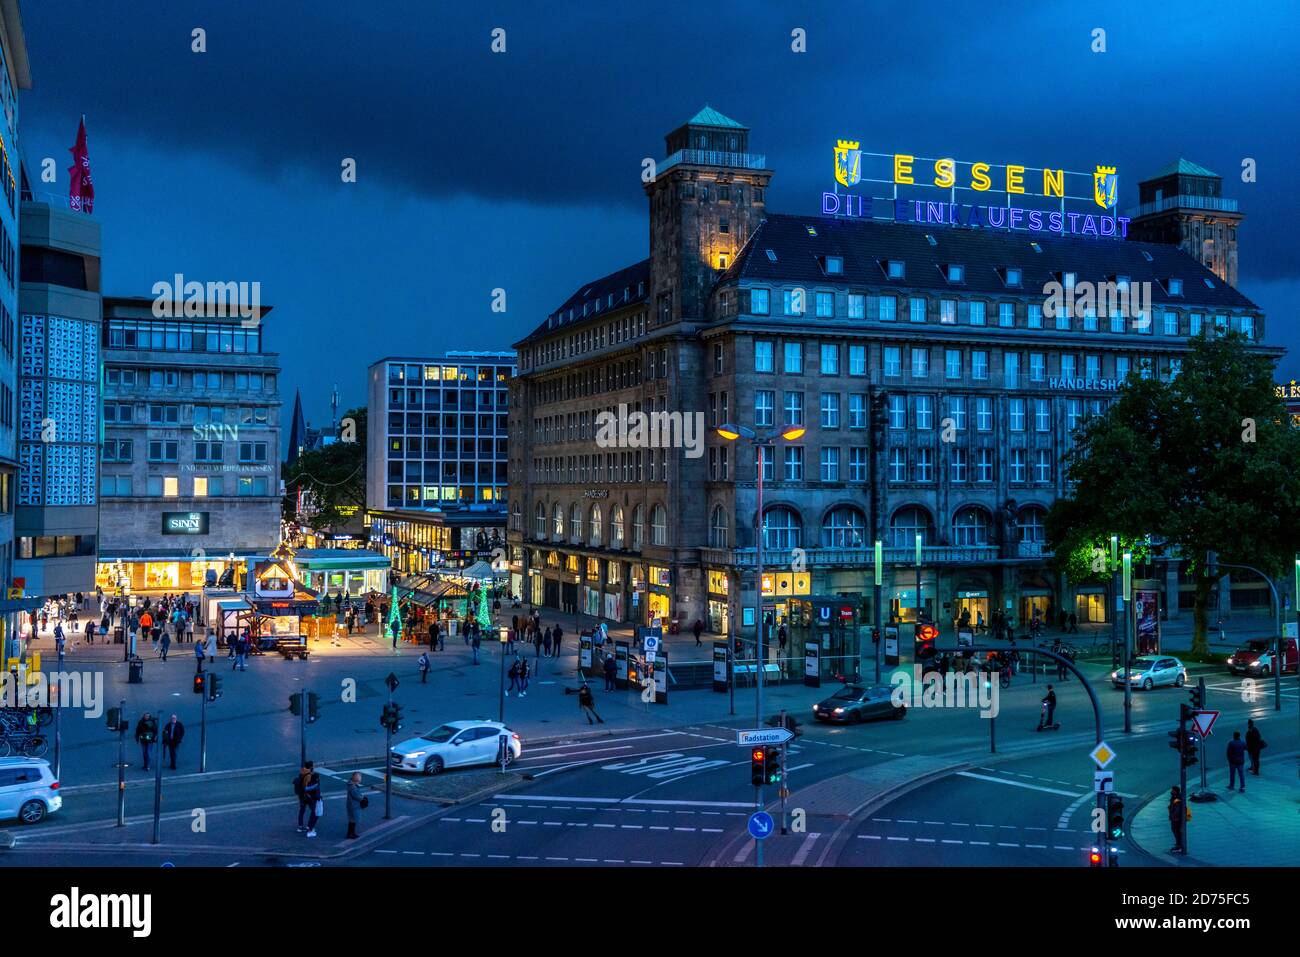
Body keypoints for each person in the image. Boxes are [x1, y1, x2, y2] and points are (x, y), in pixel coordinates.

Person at [301, 764, 322, 838]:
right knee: (315, 815)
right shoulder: (315, 785)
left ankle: (309, 827)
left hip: (310, 800)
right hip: (315, 801)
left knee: (313, 814)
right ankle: (310, 829)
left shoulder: (310, 784)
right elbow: (316, 794)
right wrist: (318, 797)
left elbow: (306, 790)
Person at [346, 772, 367, 839]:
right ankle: (350, 834)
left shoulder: (351, 785)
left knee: (352, 820)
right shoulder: (353, 787)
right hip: (354, 806)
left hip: (352, 805)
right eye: (359, 779)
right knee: (353, 820)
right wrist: (363, 797)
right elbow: (358, 796)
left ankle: (352, 833)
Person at [1168, 786, 1186, 854]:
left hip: (1176, 819)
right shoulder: (1174, 797)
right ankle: (1178, 844)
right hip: (1175, 818)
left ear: (1175, 791)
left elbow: (1177, 810)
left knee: (1176, 831)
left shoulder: (1177, 798)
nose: (1171, 791)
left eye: (1172, 790)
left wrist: (1173, 816)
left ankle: (1179, 845)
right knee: (1175, 830)